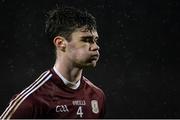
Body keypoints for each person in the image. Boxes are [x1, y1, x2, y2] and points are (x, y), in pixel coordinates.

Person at [0, 6, 105, 119]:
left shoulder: (97, 96)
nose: (96, 47)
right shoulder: (32, 101)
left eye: (95, 40)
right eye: (86, 40)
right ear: (60, 43)